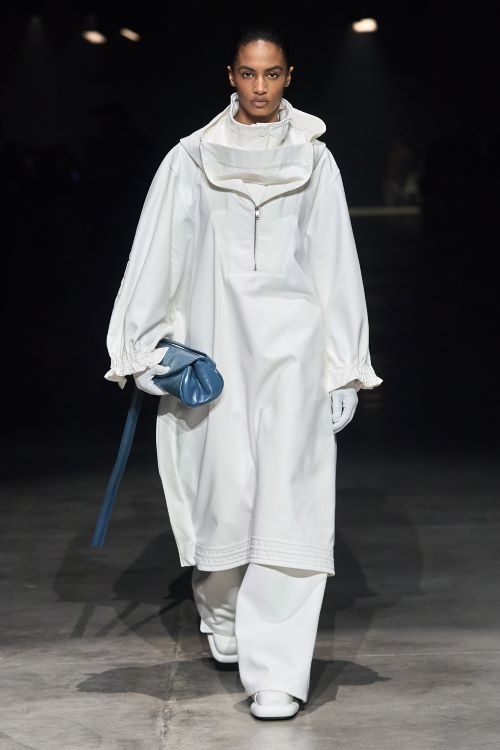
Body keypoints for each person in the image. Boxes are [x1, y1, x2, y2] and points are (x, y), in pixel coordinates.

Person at [104, 27, 382, 720]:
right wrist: (142, 346)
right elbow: (158, 249)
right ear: (231, 75)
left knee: (293, 504)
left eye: (273, 73)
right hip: (216, 353)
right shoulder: (191, 159)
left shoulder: (315, 161)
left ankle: (278, 672)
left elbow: (334, 261)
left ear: (290, 76)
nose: (261, 86)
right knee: (220, 501)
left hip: (294, 356)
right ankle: (223, 612)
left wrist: (343, 368)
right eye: (249, 73)